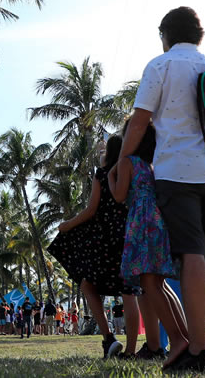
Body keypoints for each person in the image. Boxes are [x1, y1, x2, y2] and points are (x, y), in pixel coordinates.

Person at [114, 7, 205, 371]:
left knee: (192, 254)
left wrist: (121, 160)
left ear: (165, 35)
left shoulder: (160, 66)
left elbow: (139, 122)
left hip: (177, 173)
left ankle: (197, 350)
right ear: (198, 34)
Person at [48, 135, 142, 358]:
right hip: (130, 234)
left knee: (88, 284)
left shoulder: (102, 174)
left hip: (105, 239)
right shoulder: (133, 171)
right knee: (129, 292)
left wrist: (67, 225)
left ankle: (108, 338)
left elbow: (91, 210)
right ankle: (130, 350)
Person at [110, 116, 189, 370]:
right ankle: (184, 337)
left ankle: (177, 340)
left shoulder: (127, 162)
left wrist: (111, 175)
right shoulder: (150, 165)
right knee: (159, 283)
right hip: (157, 221)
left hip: (140, 221)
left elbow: (119, 196)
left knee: (148, 282)